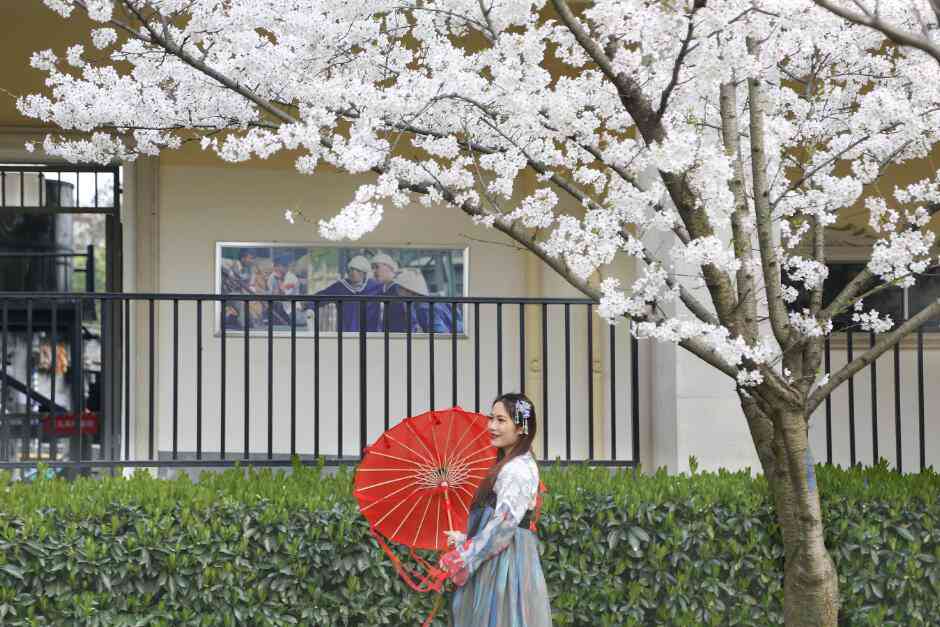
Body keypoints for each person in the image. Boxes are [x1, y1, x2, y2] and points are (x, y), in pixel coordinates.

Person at [438, 393, 552, 626]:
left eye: (501, 420)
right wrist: (464, 538)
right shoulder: (515, 463)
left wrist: (462, 557)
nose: (491, 426)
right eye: (491, 419)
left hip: (506, 562)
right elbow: (505, 522)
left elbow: (503, 526)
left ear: (521, 428)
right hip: (506, 554)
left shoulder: (516, 470)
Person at [310, 255, 381, 331]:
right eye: (351, 270)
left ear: (364, 273)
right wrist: (304, 304)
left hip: (370, 333)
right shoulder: (340, 287)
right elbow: (321, 297)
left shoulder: (375, 287)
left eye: (358, 270)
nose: (353, 273)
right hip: (346, 333)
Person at [393, 268, 464, 333]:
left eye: (399, 288)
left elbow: (440, 333)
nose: (397, 291)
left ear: (408, 290)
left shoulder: (423, 308)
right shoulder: (432, 299)